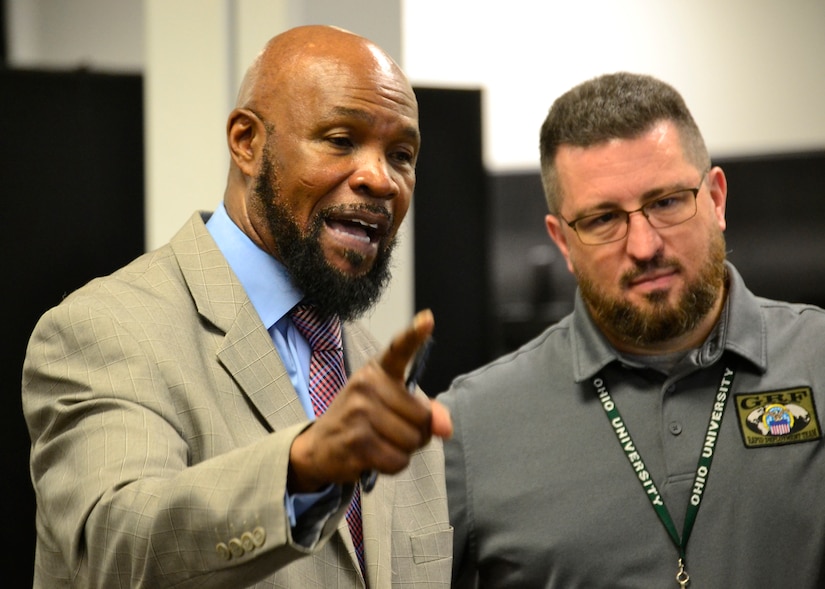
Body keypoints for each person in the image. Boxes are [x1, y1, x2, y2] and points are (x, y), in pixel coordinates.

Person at [22, 25, 453, 588]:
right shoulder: (106, 330)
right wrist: (301, 466)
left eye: (402, 155)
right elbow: (113, 549)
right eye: (341, 139)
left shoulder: (392, 391)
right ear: (247, 142)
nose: (381, 179)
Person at [439, 71, 825, 588]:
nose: (644, 246)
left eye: (666, 202)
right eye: (602, 219)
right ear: (562, 241)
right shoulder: (469, 425)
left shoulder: (817, 361)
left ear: (716, 198)